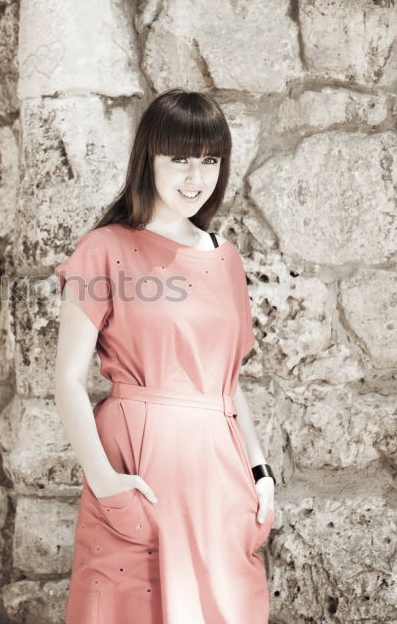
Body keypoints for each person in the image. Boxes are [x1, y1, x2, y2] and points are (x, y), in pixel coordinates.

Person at [52, 89, 277, 624]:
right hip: (139, 472)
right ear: (147, 157)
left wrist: (260, 470)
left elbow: (227, 380)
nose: (195, 178)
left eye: (210, 160)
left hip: (222, 480)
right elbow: (66, 379)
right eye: (179, 159)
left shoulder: (225, 258)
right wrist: (105, 481)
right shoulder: (104, 248)